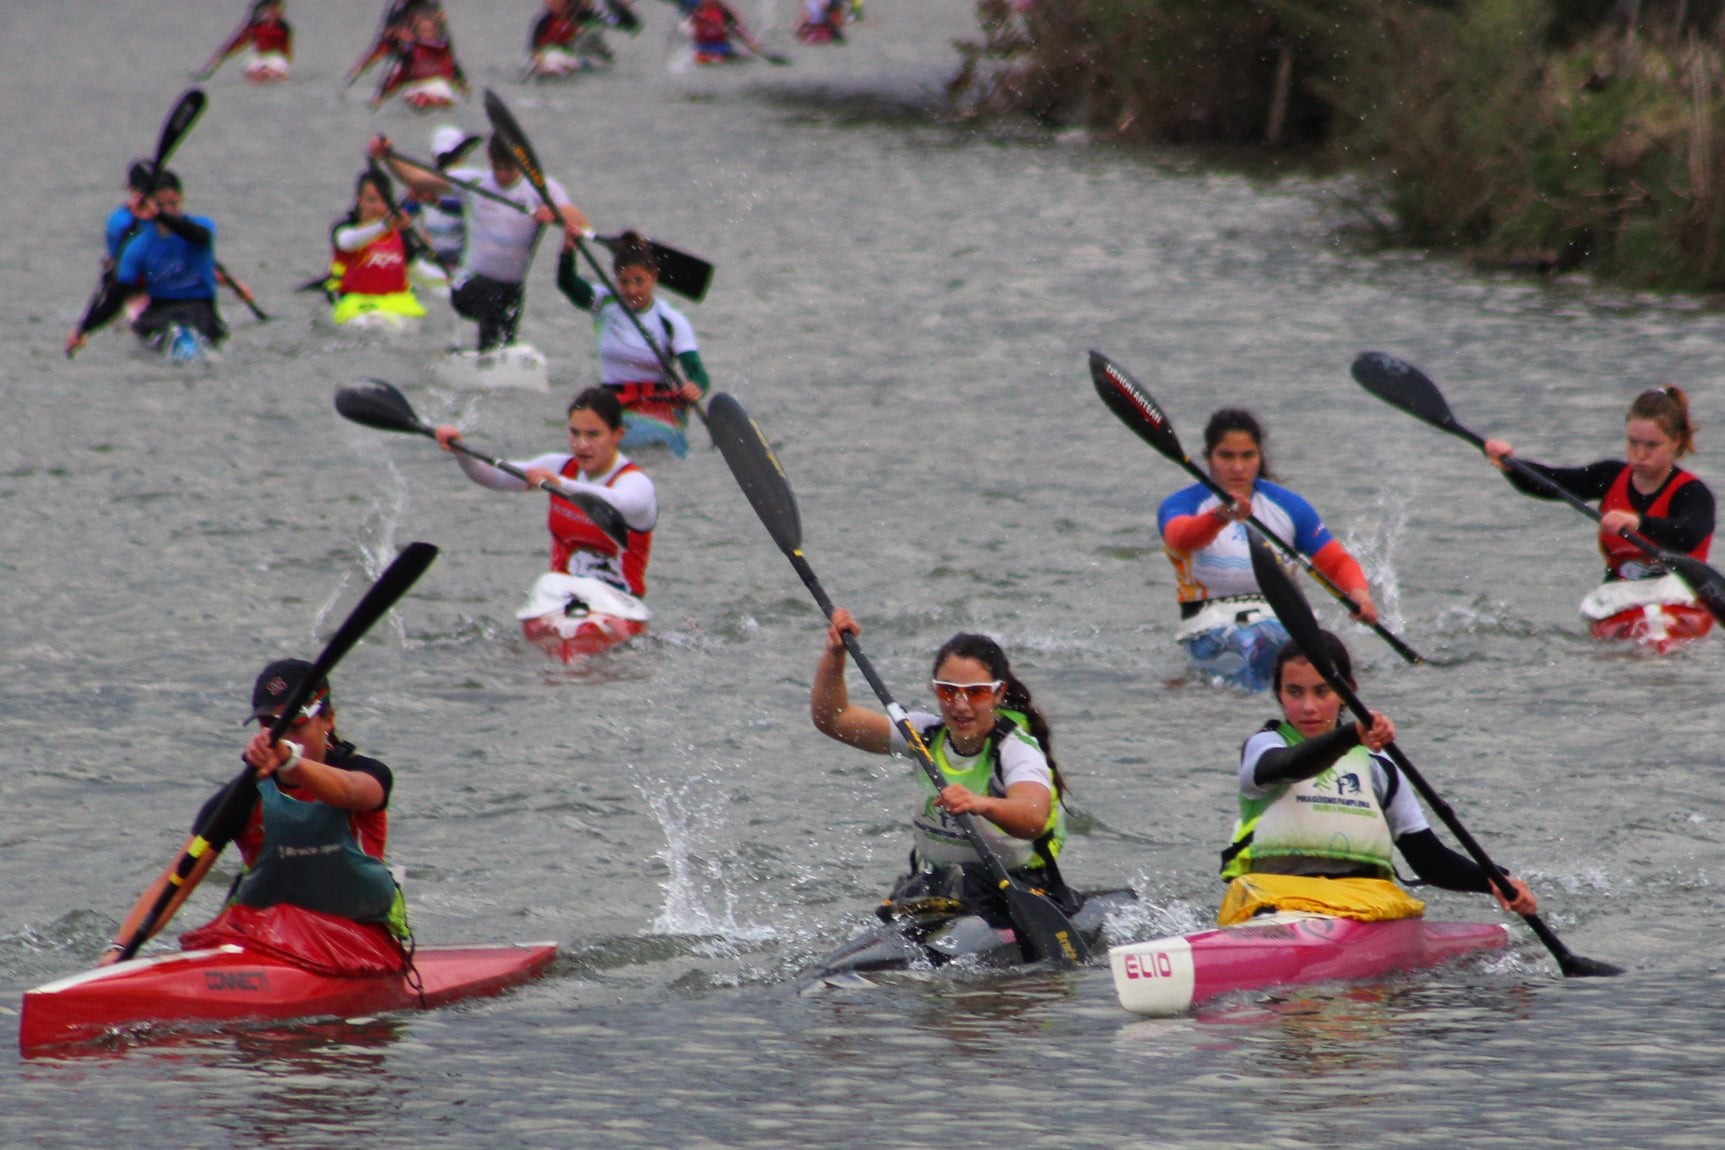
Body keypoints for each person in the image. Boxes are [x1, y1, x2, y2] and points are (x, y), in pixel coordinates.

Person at [1217, 631, 1538, 926]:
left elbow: (1426, 858)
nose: (1308, 707)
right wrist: (1351, 735)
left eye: (1322, 691)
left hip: (1362, 907)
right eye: (1294, 692)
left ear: (1348, 692)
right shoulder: (1266, 747)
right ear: (1278, 693)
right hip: (1273, 904)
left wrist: (1492, 880)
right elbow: (1288, 766)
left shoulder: (1379, 765)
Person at [97, 660, 403, 966]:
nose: (283, 737)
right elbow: (174, 885)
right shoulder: (240, 799)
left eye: (295, 724)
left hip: (359, 942)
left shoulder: (365, 773)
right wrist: (118, 948)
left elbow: (352, 791)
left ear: (328, 720)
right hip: (269, 943)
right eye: (270, 724)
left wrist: (290, 762)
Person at [811, 610, 1078, 918]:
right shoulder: (922, 734)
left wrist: (979, 803)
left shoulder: (1017, 749)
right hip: (939, 890)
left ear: (998, 693)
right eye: (948, 691)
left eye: (976, 693)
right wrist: (835, 655)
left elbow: (1032, 816)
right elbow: (833, 719)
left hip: (1013, 891)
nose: (960, 705)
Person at [1156, 408, 1378, 691]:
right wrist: (1220, 516)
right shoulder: (1183, 504)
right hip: (1209, 625)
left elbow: (1335, 562)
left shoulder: (1288, 506)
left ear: (1260, 457)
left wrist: (1360, 594)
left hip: (1280, 622)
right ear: (1209, 457)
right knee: (1255, 656)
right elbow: (1179, 538)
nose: (1238, 467)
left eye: (1247, 456)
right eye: (1226, 456)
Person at [1484, 387, 1715, 647]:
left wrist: (1639, 522)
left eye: (1652, 445)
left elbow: (1687, 535)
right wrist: (1511, 465)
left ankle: (1655, 650)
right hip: (1621, 595)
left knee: (1652, 658)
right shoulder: (1609, 476)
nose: (1640, 454)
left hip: (1678, 594)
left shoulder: (1693, 493)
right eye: (1633, 443)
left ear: (1676, 441)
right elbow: (1552, 483)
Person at [374, 131, 589, 352]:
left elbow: (581, 222)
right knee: (491, 304)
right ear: (488, 157)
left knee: (506, 340)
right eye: (498, 167)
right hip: (468, 284)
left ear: (522, 161)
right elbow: (417, 179)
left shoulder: (541, 189)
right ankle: (487, 355)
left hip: (511, 290)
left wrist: (555, 214)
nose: (503, 175)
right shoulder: (473, 181)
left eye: (510, 168)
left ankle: (488, 359)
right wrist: (388, 157)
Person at [434, 387, 656, 597]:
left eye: (593, 435)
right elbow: (492, 477)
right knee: (545, 585)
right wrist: (461, 451)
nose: (581, 444)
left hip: (618, 602)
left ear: (617, 435)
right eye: (575, 433)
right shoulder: (558, 466)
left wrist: (561, 483)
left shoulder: (635, 482)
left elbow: (620, 503)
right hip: (560, 597)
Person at [556, 231, 709, 455]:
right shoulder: (603, 302)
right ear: (615, 279)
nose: (632, 290)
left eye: (639, 281)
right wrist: (568, 252)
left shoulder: (671, 320)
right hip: (613, 403)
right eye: (624, 282)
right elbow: (567, 284)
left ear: (654, 277)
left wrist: (696, 387)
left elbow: (698, 375)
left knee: (648, 448)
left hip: (657, 403)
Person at [65, 170, 228, 358]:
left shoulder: (202, 228)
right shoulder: (137, 246)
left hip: (200, 308)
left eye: (173, 204)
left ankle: (186, 347)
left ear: (182, 200)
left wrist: (159, 214)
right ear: (149, 206)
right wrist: (83, 329)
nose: (169, 210)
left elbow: (198, 236)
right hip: (160, 310)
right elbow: (115, 298)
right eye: (161, 204)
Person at [327, 168, 429, 328]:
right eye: (371, 200)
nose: (377, 207)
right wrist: (385, 225)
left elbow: (420, 272)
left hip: (397, 305)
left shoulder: (400, 235)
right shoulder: (344, 228)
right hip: (357, 305)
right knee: (374, 325)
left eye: (382, 201)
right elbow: (348, 243)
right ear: (359, 200)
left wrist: (454, 283)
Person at [372, 8, 468, 110]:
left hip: (438, 89)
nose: (428, 33)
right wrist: (382, 96)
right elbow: (399, 75)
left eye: (430, 29)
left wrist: (462, 85)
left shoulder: (442, 50)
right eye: (423, 30)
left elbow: (452, 69)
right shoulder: (412, 53)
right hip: (418, 90)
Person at [199, 0, 294, 82]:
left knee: (274, 72)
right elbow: (238, 42)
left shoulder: (283, 28)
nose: (276, 12)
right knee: (254, 72)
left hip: (275, 58)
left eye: (278, 9)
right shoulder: (256, 27)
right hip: (259, 58)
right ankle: (263, 75)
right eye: (273, 9)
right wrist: (222, 54)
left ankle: (268, 74)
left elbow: (286, 51)